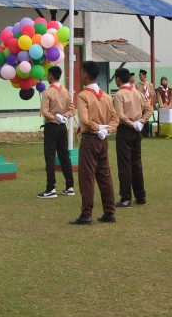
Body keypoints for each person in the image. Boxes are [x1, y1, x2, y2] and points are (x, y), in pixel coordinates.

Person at [70, 61, 118, 226]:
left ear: (85, 74)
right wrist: (107, 129)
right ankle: (109, 211)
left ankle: (86, 214)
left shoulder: (83, 95)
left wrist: (97, 127)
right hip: (102, 140)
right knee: (104, 176)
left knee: (87, 177)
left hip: (90, 139)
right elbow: (115, 119)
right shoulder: (106, 96)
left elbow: (84, 119)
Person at [113, 68, 153, 208]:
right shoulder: (138, 93)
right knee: (136, 163)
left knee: (125, 164)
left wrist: (132, 123)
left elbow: (120, 115)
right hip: (137, 130)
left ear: (118, 79)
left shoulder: (119, 95)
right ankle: (141, 196)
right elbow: (149, 109)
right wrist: (141, 121)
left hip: (125, 130)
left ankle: (126, 198)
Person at [37, 65, 76, 199]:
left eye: (48, 75)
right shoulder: (66, 91)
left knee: (50, 156)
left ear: (51, 76)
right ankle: (70, 186)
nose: (47, 78)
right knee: (64, 156)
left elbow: (45, 112)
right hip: (63, 127)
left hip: (52, 127)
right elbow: (72, 109)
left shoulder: (47, 92)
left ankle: (50, 188)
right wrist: (64, 116)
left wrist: (55, 117)